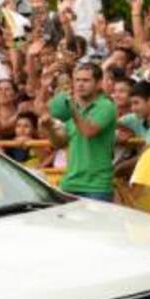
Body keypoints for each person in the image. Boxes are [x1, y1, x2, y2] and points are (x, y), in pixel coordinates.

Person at [48, 62, 116, 201]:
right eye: (77, 80)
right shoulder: (72, 108)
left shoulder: (106, 106)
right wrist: (49, 127)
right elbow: (60, 143)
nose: (80, 84)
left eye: (86, 80)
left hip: (97, 186)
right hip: (69, 183)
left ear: (98, 83)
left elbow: (89, 131)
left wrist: (72, 108)